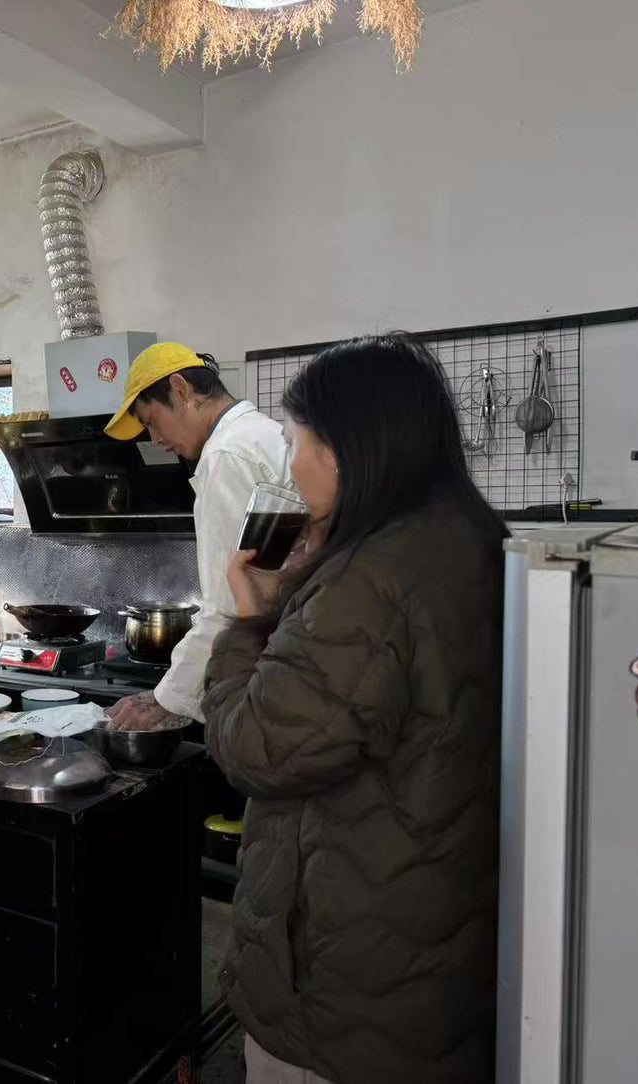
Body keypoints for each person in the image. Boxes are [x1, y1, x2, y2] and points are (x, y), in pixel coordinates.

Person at [202, 333, 505, 1084]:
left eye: (295, 442)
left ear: (343, 450)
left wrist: (249, 620)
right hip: (429, 928)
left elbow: (257, 750)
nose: (290, 466)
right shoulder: (470, 535)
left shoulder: (370, 581)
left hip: (345, 971)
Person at [100, 343, 289, 732]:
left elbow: (229, 604)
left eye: (151, 421)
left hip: (274, 670)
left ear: (180, 390)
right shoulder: (263, 434)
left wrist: (163, 699)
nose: (155, 440)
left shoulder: (226, 455)